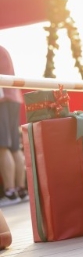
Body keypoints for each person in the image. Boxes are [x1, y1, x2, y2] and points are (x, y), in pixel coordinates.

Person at [0, 47, 27, 206]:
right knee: (15, 147)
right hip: (13, 97)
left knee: (2, 147)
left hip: (3, 100)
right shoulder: (3, 50)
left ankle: (10, 191)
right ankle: (20, 189)